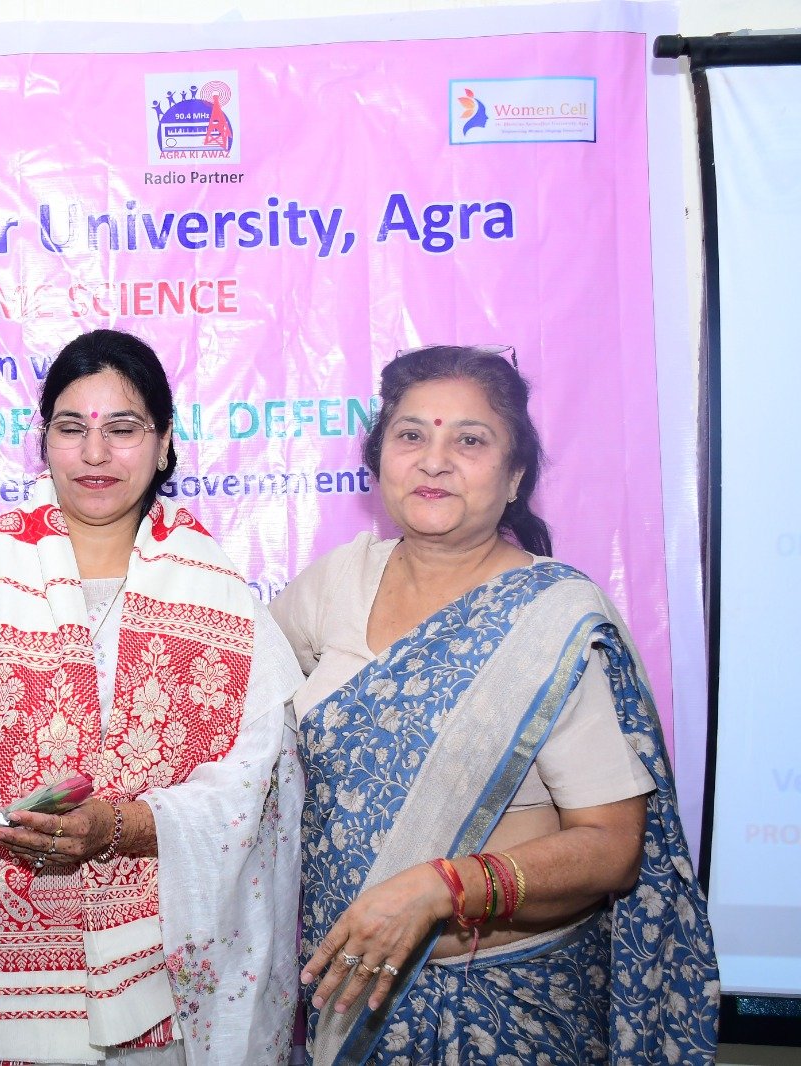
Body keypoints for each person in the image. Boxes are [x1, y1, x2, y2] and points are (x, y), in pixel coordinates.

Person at [0, 328, 305, 1066]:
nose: (94, 453)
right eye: (71, 428)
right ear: (43, 438)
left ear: (164, 444)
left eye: (123, 429)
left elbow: (257, 781)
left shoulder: (219, 594)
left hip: (153, 982)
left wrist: (122, 827)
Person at [271, 345, 718, 1064]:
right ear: (379, 460)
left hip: (508, 1008)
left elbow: (612, 849)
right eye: (411, 435)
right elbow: (241, 714)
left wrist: (442, 887)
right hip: (350, 1006)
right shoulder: (334, 585)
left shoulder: (553, 619)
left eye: (470, 441)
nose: (434, 460)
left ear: (514, 479)